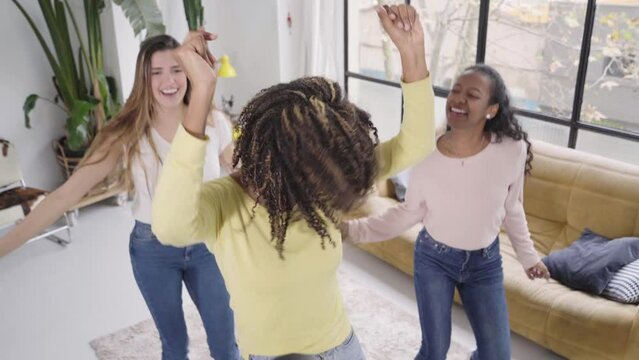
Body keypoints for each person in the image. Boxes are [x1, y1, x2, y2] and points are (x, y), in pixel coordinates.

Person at [151, 5, 434, 359]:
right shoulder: (226, 202)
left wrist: (412, 51)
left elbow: (417, 144)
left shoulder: (325, 183)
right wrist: (200, 97)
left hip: (340, 348)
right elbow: (170, 228)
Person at [0, 35, 239, 360]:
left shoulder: (215, 122)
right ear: (143, 79)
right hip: (153, 250)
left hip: (208, 246)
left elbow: (246, 176)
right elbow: (62, 197)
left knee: (226, 346)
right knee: (174, 346)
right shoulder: (127, 132)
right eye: (156, 72)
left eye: (176, 69)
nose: (168, 81)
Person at [343, 64, 550, 360]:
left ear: (491, 110)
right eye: (455, 91)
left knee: (497, 355)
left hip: (485, 264)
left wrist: (529, 257)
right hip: (434, 260)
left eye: (472, 95)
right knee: (435, 350)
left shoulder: (512, 150)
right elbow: (408, 212)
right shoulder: (427, 154)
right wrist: (353, 230)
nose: (459, 99)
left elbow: (512, 206)